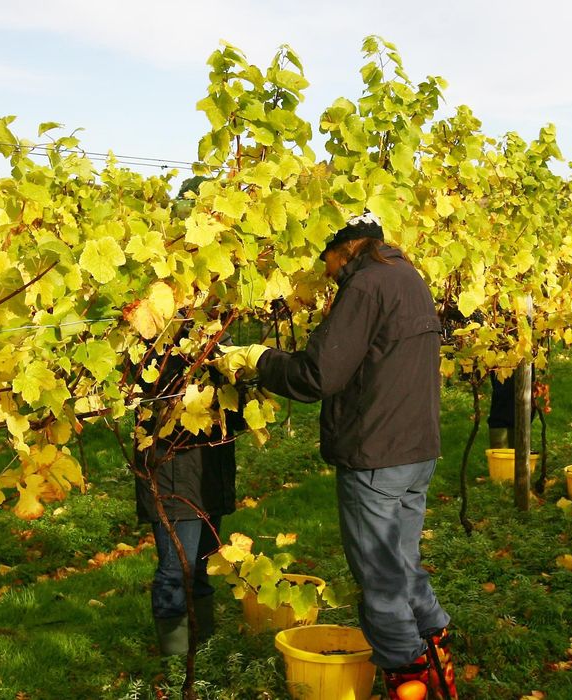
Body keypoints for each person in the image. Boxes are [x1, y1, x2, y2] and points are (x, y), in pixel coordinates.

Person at [214, 213, 458, 699]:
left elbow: (317, 375)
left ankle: (409, 680)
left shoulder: (366, 287)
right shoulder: (409, 278)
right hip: (416, 450)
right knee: (404, 565)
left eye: (325, 257)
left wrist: (257, 359)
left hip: (376, 456)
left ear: (345, 248)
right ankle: (439, 666)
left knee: (381, 580)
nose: (324, 270)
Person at [134, 350, 241, 656]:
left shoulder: (216, 330)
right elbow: (161, 397)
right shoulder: (159, 340)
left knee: (204, 563)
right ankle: (177, 659)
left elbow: (234, 406)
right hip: (175, 472)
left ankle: (203, 649)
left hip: (209, 470)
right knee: (177, 570)